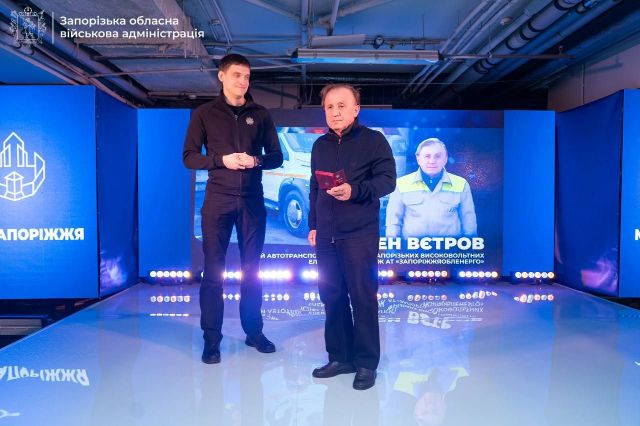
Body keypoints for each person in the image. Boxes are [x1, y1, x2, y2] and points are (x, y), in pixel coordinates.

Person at [183, 53, 283, 364]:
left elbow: (277, 157)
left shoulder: (260, 114)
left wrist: (256, 160)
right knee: (214, 272)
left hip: (252, 201)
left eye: (247, 76)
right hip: (218, 200)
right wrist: (221, 160)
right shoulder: (204, 113)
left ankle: (254, 332)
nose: (243, 81)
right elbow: (189, 157)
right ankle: (211, 340)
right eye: (237, 75)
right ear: (222, 76)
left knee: (252, 270)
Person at [308, 83, 396, 390]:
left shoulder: (373, 140)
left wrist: (355, 191)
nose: (335, 112)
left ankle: (366, 363)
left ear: (356, 109)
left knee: (362, 298)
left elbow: (388, 180)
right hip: (326, 236)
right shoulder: (320, 145)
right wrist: (313, 224)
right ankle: (340, 357)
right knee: (331, 296)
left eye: (342, 106)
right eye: (329, 107)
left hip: (360, 234)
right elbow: (314, 187)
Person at [385, 138, 476, 238]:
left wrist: (470, 246)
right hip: (412, 247)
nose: (432, 161)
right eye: (427, 156)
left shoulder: (461, 184)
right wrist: (393, 246)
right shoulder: (400, 184)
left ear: (445, 159)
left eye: (438, 156)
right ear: (418, 159)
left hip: (450, 247)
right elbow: (393, 223)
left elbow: (469, 223)